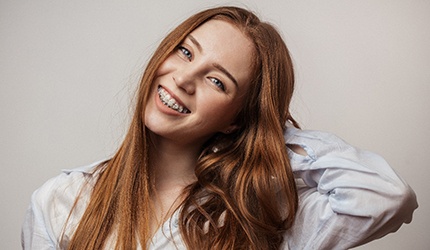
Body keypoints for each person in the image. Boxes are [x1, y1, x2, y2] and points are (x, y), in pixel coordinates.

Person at [21, 6, 417, 250]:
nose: (183, 78)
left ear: (236, 119)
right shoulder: (63, 201)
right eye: (185, 51)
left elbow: (384, 194)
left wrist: (264, 132)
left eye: (217, 81)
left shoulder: (263, 215)